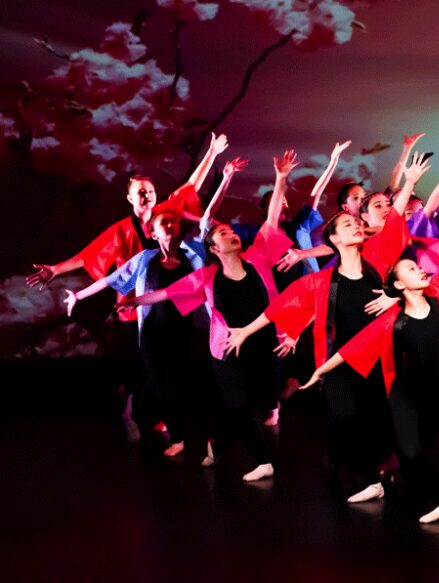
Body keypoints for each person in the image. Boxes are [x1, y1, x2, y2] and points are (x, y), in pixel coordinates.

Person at [223, 154, 432, 501]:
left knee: (379, 422)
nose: (356, 227)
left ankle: (374, 468)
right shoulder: (322, 282)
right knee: (347, 418)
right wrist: (245, 331)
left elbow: (394, 224)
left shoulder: (377, 262)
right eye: (347, 225)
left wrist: (408, 182)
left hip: (376, 359)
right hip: (336, 363)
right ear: (333, 239)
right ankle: (369, 480)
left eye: (357, 224)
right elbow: (281, 307)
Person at [27, 132, 229, 442]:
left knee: (171, 364)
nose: (147, 196)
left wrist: (212, 153)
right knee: (146, 366)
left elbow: (193, 184)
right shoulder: (122, 231)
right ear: (131, 199)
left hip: (170, 304)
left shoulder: (168, 214)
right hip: (136, 309)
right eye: (141, 193)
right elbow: (88, 257)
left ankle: (163, 413)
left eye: (150, 191)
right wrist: (55, 270)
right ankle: (133, 407)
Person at [301, 198, 439, 524]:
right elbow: (352, 348)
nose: (420, 269)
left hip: (434, 391)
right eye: (411, 269)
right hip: (403, 392)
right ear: (399, 285)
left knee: (413, 451)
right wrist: (320, 371)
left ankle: (404, 486)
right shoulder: (391, 319)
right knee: (409, 450)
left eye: (418, 267)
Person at [118, 150, 298, 482]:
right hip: (226, 349)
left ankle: (218, 442)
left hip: (262, 343)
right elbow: (166, 293)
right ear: (213, 248)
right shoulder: (207, 276)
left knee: (256, 399)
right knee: (238, 402)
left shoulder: (257, 257)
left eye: (232, 233)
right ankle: (262, 460)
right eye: (223, 235)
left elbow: (272, 221)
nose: (232, 236)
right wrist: (135, 301)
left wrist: (281, 178)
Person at [62, 157, 248, 455]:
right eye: (164, 222)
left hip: (181, 329)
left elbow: (208, 216)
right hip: (151, 330)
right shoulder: (145, 260)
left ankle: (136, 404)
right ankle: (177, 436)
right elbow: (111, 280)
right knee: (163, 383)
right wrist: (79, 296)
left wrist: (225, 177)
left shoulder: (192, 253)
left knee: (171, 383)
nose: (171, 223)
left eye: (173, 220)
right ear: (153, 232)